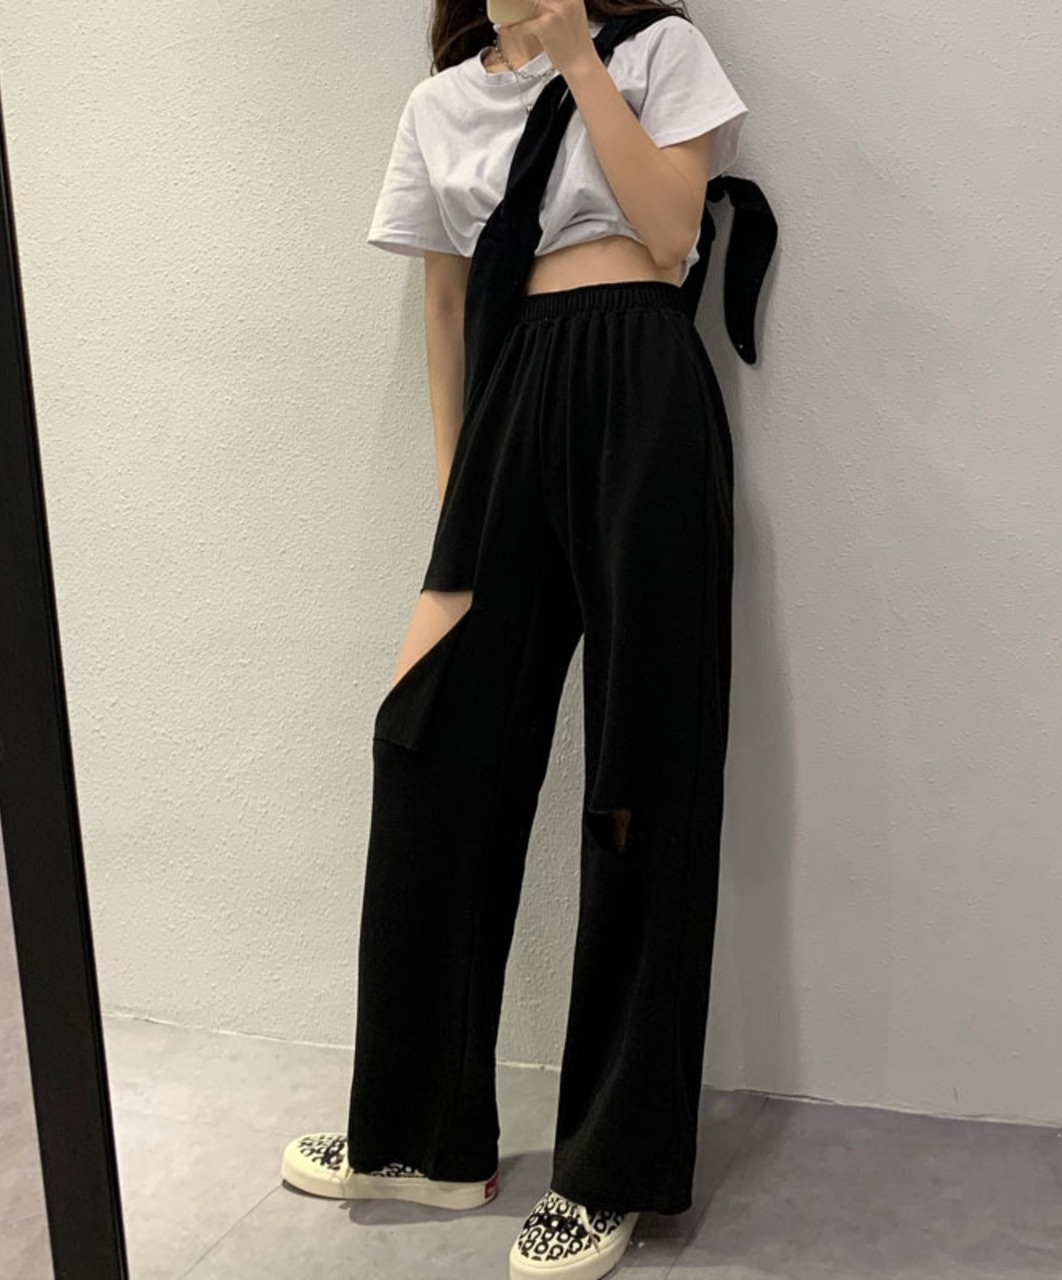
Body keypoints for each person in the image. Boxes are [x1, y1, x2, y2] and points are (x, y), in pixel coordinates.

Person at [282, 3, 755, 1276]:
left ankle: (609, 1166)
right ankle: (421, 1135)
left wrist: (580, 57)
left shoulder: (656, 52)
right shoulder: (437, 103)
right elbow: (444, 314)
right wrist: (457, 520)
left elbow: (670, 234)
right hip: (507, 412)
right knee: (430, 748)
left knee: (644, 775)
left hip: (643, 383)